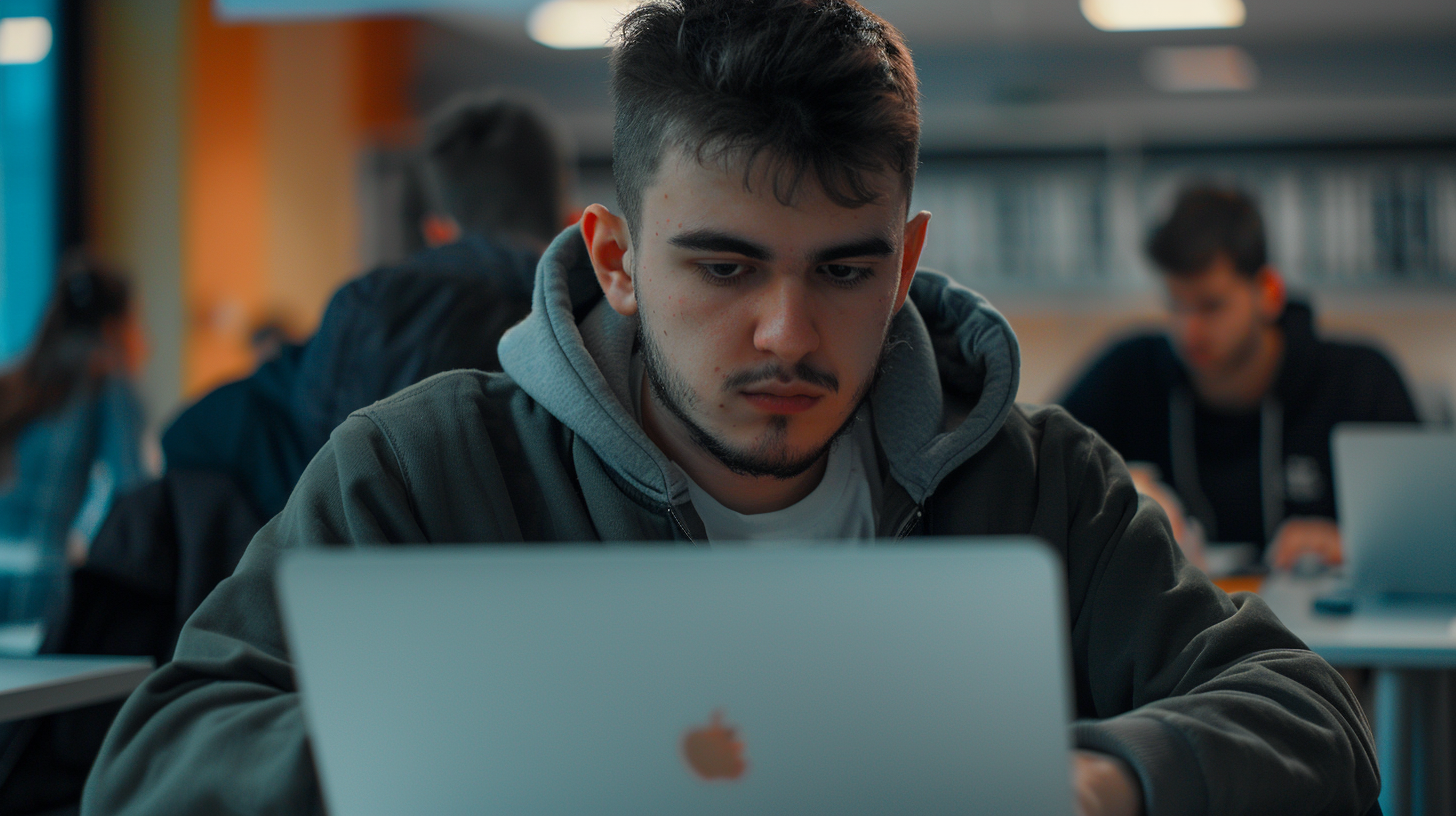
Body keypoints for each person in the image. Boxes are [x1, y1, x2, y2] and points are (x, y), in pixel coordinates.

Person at [83, 3, 1377, 815]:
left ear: (909, 261)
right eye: (723, 266)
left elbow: (1317, 726)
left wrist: (1105, 776)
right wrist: (480, 760)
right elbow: (157, 764)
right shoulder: (428, 465)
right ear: (614, 258)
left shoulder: (1042, 485)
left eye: (847, 270)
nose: (787, 332)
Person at [160, 90, 570, 521]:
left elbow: (193, 436)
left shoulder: (355, 317)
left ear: (437, 231)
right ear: (572, 220)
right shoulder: (582, 335)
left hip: (331, 583)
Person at [1060, 186, 1418, 571]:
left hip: (1317, 625)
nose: (1188, 331)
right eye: (1175, 306)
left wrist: (1349, 544)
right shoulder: (1127, 373)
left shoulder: (1361, 381)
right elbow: (1040, 470)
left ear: (1269, 292)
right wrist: (1112, 492)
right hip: (1178, 627)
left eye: (1211, 306)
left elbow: (1426, 527)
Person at [0, 258, 147, 628]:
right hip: (39, 592)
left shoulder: (15, 381)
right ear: (116, 325)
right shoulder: (108, 387)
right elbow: (132, 493)